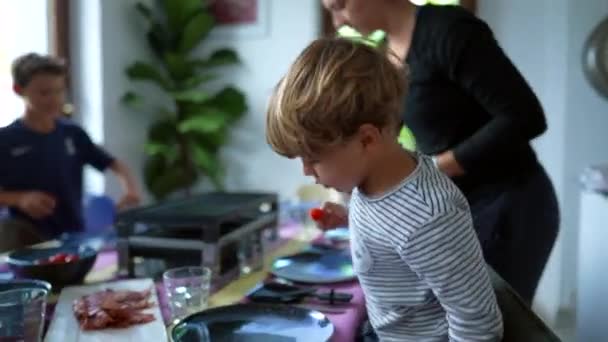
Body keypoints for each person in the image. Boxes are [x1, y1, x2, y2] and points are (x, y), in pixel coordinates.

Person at [321, 0, 559, 305]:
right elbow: (387, 146)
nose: (338, 22)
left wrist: (433, 170)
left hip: (509, 204)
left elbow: (525, 116)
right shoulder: (388, 54)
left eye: (339, 5)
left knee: (491, 322)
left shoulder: (448, 30)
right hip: (460, 205)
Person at [266, 37, 503, 341]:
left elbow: (478, 324)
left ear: (366, 139)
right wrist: (348, 217)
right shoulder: (374, 182)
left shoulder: (430, 217)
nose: (306, 172)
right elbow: (395, 229)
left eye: (314, 159)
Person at [0, 53, 141, 251]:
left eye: (59, 91)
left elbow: (114, 163)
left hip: (73, 239)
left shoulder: (72, 133)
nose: (54, 99)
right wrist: (20, 199)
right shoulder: (5, 139)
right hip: (23, 241)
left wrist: (130, 190)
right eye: (44, 93)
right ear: (19, 90)